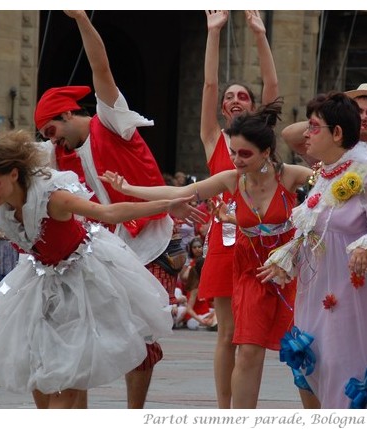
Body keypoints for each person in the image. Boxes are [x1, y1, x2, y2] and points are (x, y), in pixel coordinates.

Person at [0, 10, 181, 409]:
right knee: (75, 348)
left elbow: (101, 67)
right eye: (43, 136)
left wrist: (80, 18)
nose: (48, 138)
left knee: (141, 337)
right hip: (87, 248)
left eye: (50, 129)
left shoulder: (110, 123)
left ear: (66, 115)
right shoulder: (53, 157)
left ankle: (135, 413)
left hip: (141, 238)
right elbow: (5, 158)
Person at [0, 130, 200, 408]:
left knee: (68, 377)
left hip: (84, 277)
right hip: (39, 278)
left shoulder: (53, 198)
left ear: (14, 174)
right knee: (37, 371)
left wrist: (165, 206)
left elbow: (109, 213)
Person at [107, 99, 313, 408]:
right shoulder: (232, 179)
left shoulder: (290, 176)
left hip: (292, 271)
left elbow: (334, 186)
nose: (237, 160)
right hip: (252, 273)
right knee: (247, 349)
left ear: (266, 152)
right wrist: (132, 189)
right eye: (233, 153)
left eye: (245, 154)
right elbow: (180, 193)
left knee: (306, 351)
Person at [260, 92, 367, 408]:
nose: (306, 134)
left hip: (353, 297)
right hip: (317, 292)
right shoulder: (326, 172)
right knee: (319, 369)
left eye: (314, 127)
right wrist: (289, 256)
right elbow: (317, 225)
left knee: (346, 374)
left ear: (337, 134)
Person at [199, 9, 280, 408]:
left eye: (242, 96)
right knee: (226, 332)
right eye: (229, 98)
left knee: (250, 337)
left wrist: (259, 34)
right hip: (223, 239)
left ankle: (243, 405)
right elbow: (210, 83)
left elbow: (272, 84)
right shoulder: (214, 137)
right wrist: (214, 33)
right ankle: (223, 409)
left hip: (260, 242)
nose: (233, 100)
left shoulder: (263, 139)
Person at [183, 257, 218, 331]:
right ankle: (212, 324)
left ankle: (213, 323)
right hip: (195, 318)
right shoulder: (195, 288)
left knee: (220, 312)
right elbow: (188, 309)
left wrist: (212, 315)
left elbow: (215, 305)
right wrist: (201, 320)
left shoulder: (204, 285)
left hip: (206, 315)